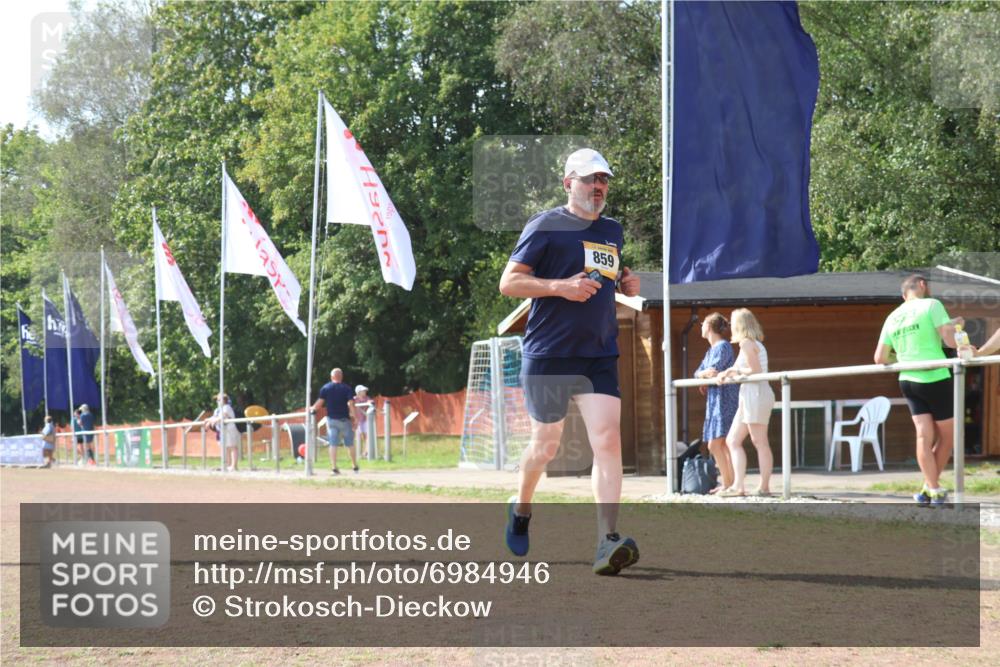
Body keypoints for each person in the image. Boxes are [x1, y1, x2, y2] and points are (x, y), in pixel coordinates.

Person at [498, 147, 641, 576]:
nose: (598, 187)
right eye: (589, 180)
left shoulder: (612, 230)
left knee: (607, 440)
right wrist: (560, 287)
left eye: (604, 181)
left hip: (598, 352)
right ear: (568, 183)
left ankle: (606, 540)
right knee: (547, 447)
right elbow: (509, 283)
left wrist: (628, 280)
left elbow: (609, 272)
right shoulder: (545, 225)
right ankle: (522, 506)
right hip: (550, 354)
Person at [874, 274, 962, 507]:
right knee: (948, 435)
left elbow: (879, 357)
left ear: (904, 295)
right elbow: (950, 342)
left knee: (924, 435)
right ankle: (933, 487)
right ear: (922, 286)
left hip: (908, 379)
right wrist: (955, 330)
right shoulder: (932, 305)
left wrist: (902, 354)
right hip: (935, 375)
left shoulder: (892, 316)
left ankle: (929, 488)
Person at [716, 308, 775, 497]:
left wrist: (736, 373)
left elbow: (756, 371)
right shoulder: (749, 344)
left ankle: (764, 487)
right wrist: (728, 372)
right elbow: (744, 366)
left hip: (756, 393)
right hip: (748, 395)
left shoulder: (747, 343)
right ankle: (738, 486)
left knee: (760, 441)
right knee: (733, 440)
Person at [693, 313, 738, 493]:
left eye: (703, 323)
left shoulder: (723, 347)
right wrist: (702, 376)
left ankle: (729, 483)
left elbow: (714, 371)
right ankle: (731, 483)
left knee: (716, 444)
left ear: (710, 327)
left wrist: (704, 375)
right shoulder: (710, 351)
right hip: (714, 400)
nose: (701, 326)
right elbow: (700, 372)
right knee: (723, 444)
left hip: (725, 398)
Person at [312, 368, 358, 474]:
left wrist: (312, 408)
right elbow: (351, 404)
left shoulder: (326, 388)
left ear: (331, 377)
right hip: (344, 419)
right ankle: (354, 466)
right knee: (350, 443)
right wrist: (354, 418)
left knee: (333, 443)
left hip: (331, 420)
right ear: (341, 376)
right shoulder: (346, 388)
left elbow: (319, 403)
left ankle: (334, 467)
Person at [207, 393, 241, 472]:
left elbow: (222, 416)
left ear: (224, 400)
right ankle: (228, 465)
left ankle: (233, 466)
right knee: (226, 448)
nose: (217, 401)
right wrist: (208, 421)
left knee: (232, 447)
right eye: (217, 400)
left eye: (219, 400)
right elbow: (214, 417)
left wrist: (214, 420)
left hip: (230, 429)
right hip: (221, 430)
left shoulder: (227, 407)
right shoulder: (217, 409)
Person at [353, 385, 372, 459]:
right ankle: (359, 453)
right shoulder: (354, 399)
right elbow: (350, 405)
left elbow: (371, 403)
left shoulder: (367, 398)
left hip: (365, 419)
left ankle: (366, 452)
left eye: (365, 391)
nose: (365, 392)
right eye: (363, 391)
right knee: (361, 437)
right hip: (358, 420)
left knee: (367, 436)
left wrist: (371, 403)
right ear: (359, 392)